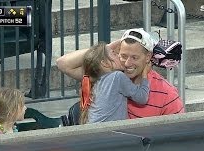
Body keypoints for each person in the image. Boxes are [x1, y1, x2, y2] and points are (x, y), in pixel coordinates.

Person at [56, 28, 184, 120]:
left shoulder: (167, 94)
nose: (128, 63)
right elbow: (63, 63)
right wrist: (105, 49)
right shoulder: (106, 75)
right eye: (123, 56)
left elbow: (179, 139)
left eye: (134, 57)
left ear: (148, 57)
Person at [79, 42, 150, 124]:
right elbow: (142, 98)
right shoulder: (117, 77)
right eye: (114, 54)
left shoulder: (96, 81)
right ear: (105, 63)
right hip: (108, 133)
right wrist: (145, 74)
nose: (118, 56)